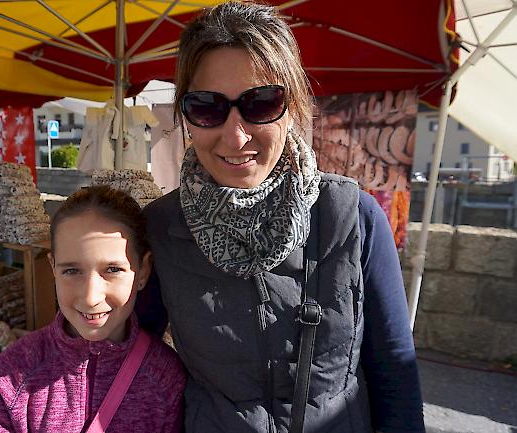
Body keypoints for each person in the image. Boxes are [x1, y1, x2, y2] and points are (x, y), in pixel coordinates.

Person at [139, 2, 425, 433]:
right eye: (206, 107)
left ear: (291, 106)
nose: (235, 136)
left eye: (260, 102)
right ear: (185, 115)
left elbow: (394, 373)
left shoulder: (353, 216)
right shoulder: (162, 227)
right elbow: (129, 360)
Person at [0, 186, 186, 433]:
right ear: (53, 269)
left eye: (113, 270)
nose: (91, 297)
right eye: (71, 271)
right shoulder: (11, 376)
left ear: (143, 271)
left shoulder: (165, 378)